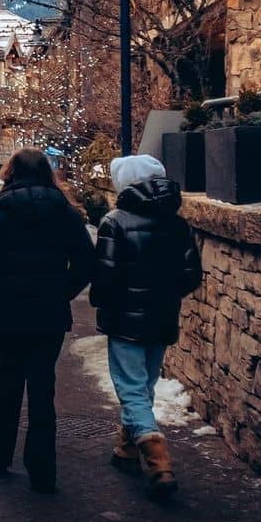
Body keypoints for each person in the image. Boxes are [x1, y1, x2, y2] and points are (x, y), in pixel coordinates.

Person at [0, 148, 94, 492]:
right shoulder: (65, 213)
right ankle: (42, 467)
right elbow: (87, 261)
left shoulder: (0, 212)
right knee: (43, 388)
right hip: (50, 313)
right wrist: (64, 291)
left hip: (10, 312)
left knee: (7, 381)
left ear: (12, 172)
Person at [90, 155, 202, 497]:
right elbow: (190, 276)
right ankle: (125, 450)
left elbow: (105, 274)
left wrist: (102, 300)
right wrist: (164, 295)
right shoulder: (177, 223)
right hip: (161, 316)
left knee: (131, 388)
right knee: (144, 386)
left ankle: (159, 464)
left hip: (125, 319)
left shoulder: (115, 222)